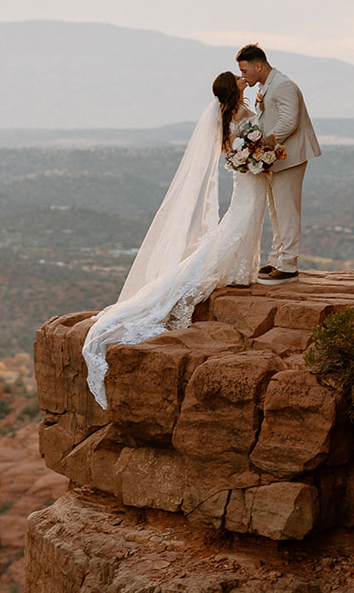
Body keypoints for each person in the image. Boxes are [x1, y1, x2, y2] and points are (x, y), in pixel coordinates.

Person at [82, 70, 271, 408]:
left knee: (242, 221)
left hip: (248, 175)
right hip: (249, 175)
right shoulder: (239, 114)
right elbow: (246, 142)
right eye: (239, 80)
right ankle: (232, 271)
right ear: (233, 88)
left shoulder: (229, 113)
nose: (244, 81)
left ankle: (240, 270)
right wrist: (256, 155)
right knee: (240, 222)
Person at [236, 43, 321, 283]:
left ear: (258, 65)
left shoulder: (283, 85)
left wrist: (265, 143)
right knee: (275, 210)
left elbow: (288, 122)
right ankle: (276, 258)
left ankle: (288, 264)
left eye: (245, 70)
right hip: (276, 159)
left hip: (290, 156)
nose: (243, 76)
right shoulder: (266, 85)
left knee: (287, 210)